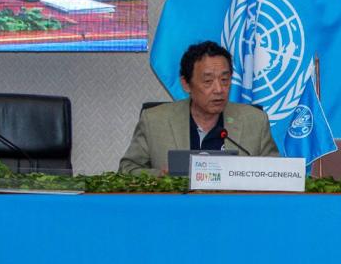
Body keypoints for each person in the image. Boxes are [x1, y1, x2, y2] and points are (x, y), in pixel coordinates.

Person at [119, 41, 279, 174]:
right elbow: (127, 169)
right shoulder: (154, 120)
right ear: (186, 84)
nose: (219, 89)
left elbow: (277, 173)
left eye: (225, 80)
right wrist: (161, 176)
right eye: (208, 81)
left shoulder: (255, 121)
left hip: (233, 209)